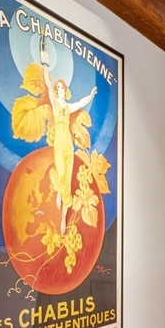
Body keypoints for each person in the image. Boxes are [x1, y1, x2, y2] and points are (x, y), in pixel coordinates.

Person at [39, 35, 96, 233]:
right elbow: (47, 83)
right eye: (59, 87)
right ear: (57, 90)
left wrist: (90, 96)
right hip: (59, 143)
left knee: (68, 177)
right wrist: (45, 63)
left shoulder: (69, 106)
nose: (61, 89)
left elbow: (80, 103)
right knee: (62, 172)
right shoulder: (56, 103)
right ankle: (58, 190)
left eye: (63, 87)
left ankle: (63, 216)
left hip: (68, 145)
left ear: (66, 90)